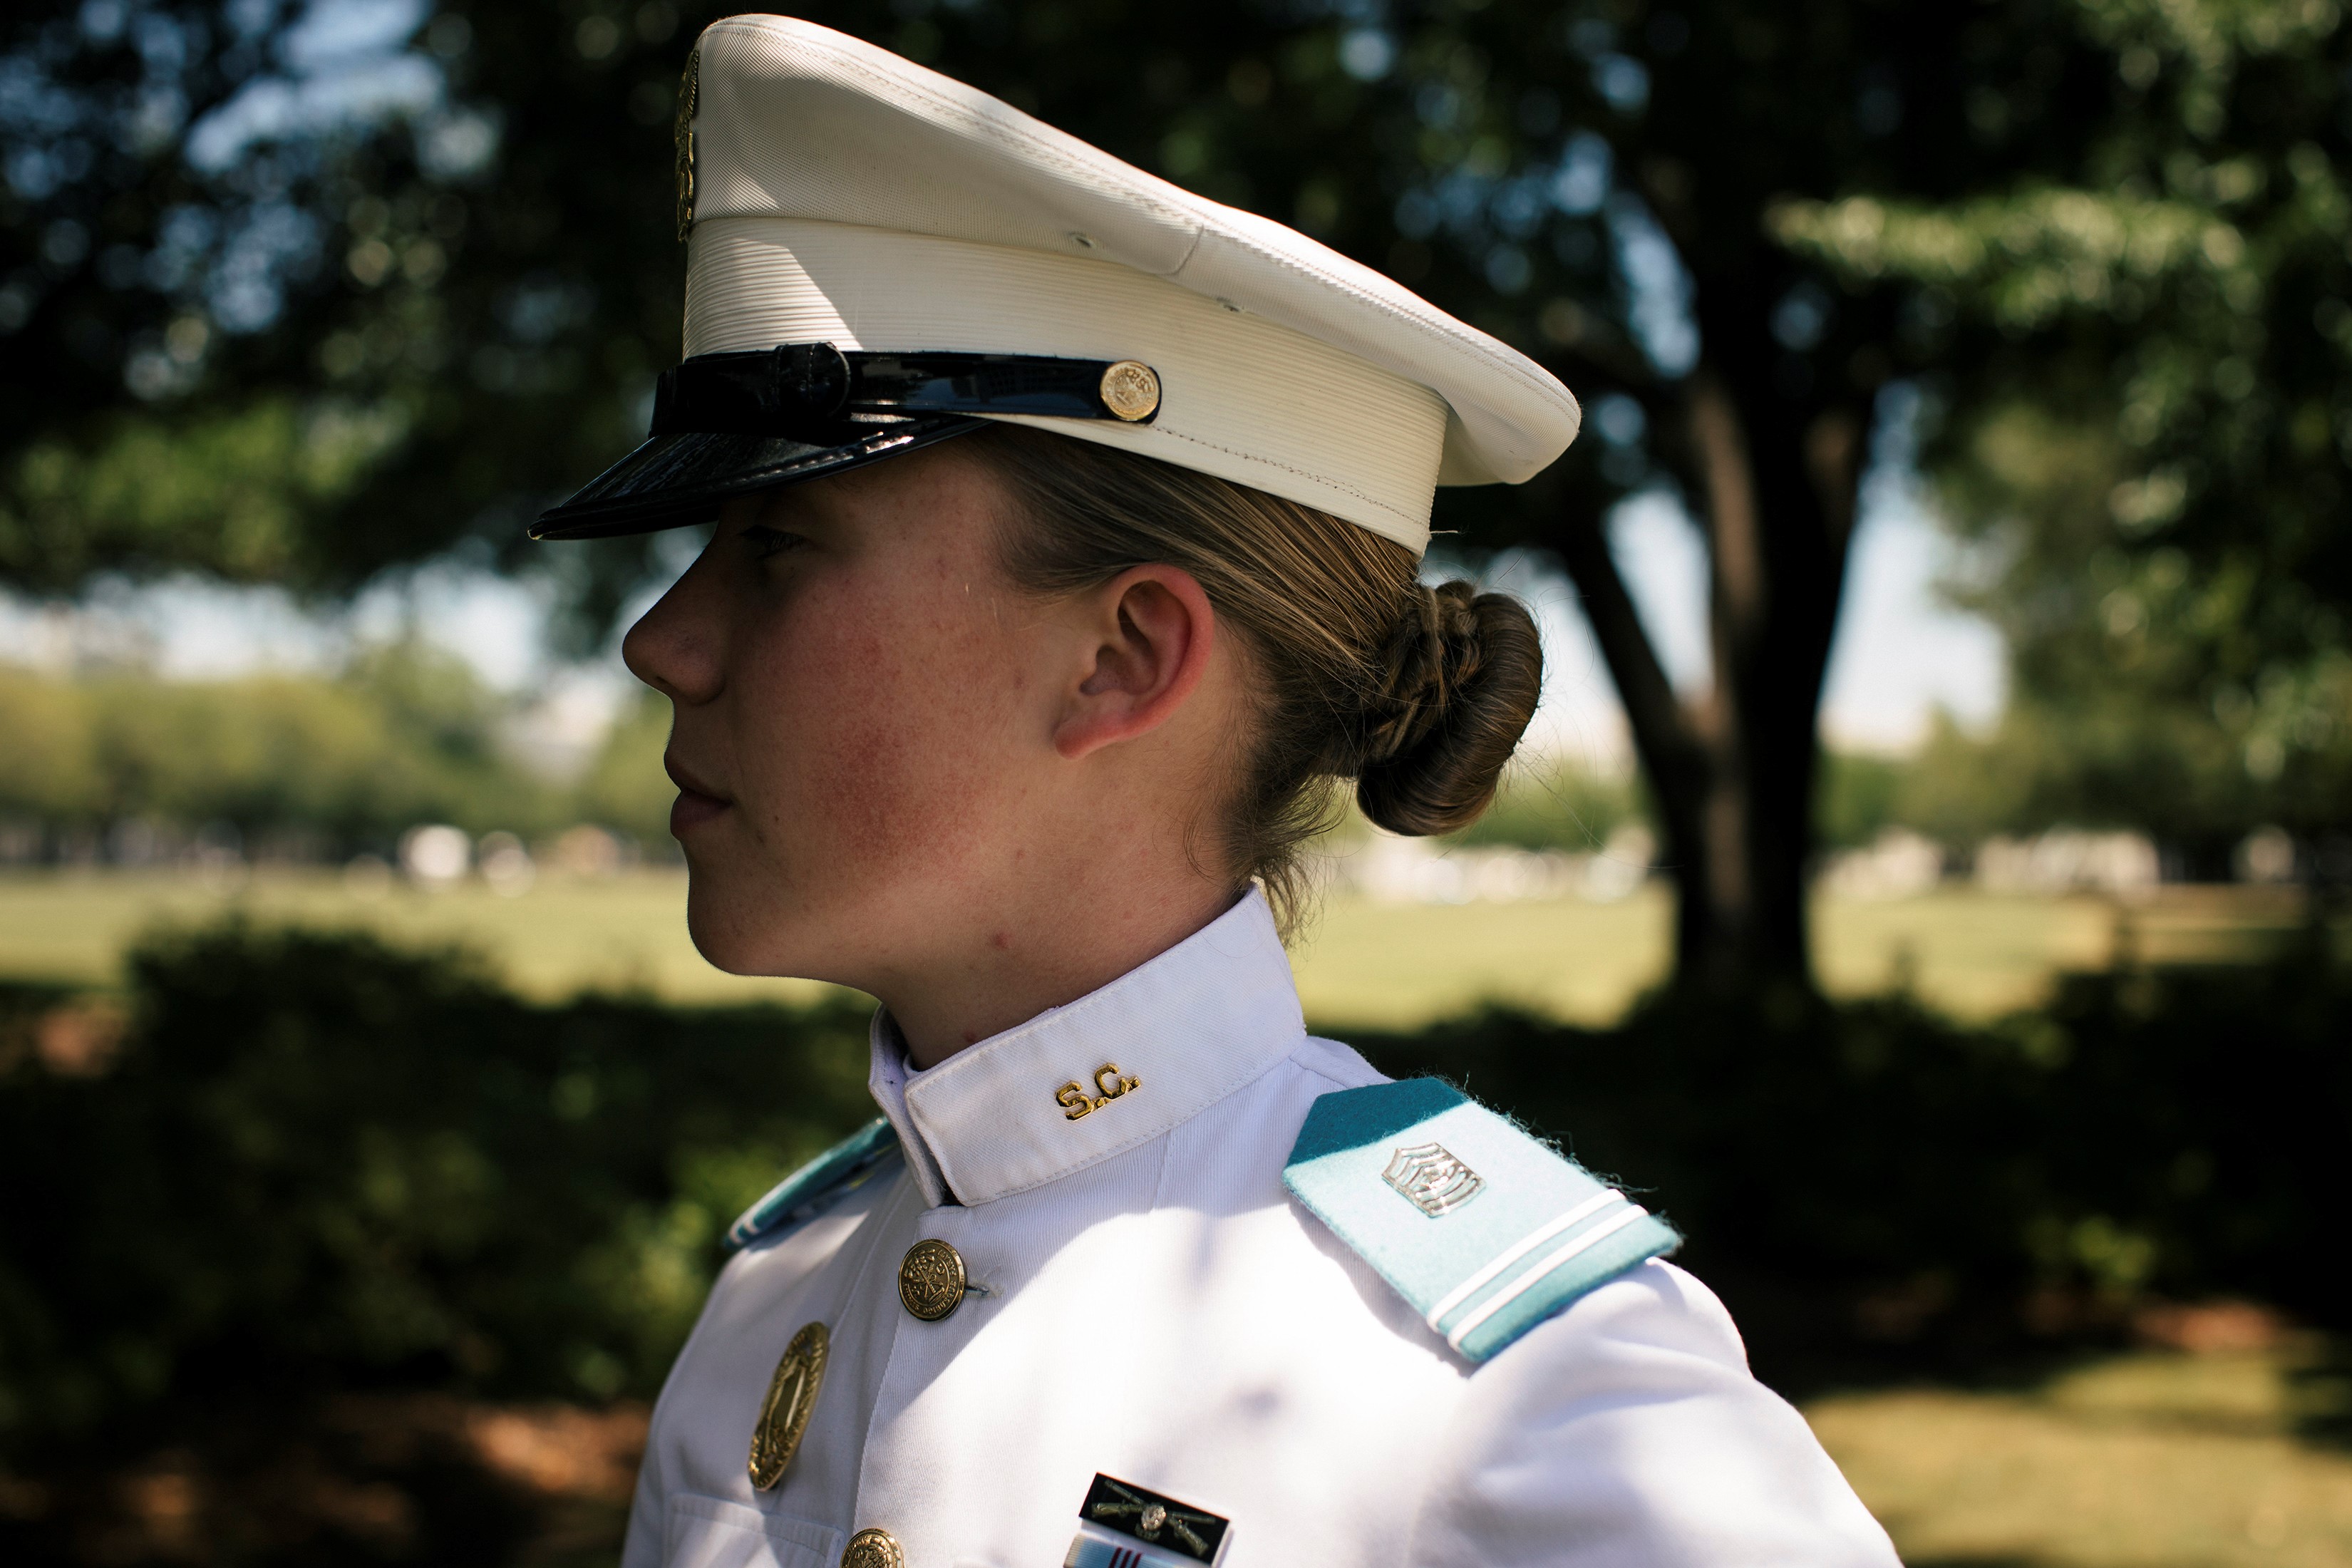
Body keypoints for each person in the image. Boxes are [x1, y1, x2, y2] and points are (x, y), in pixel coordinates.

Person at [535, 16, 1899, 1568]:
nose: (662, 639)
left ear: (1121, 657)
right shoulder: (773, 1303)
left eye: (775, 548)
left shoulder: (1514, 1387)